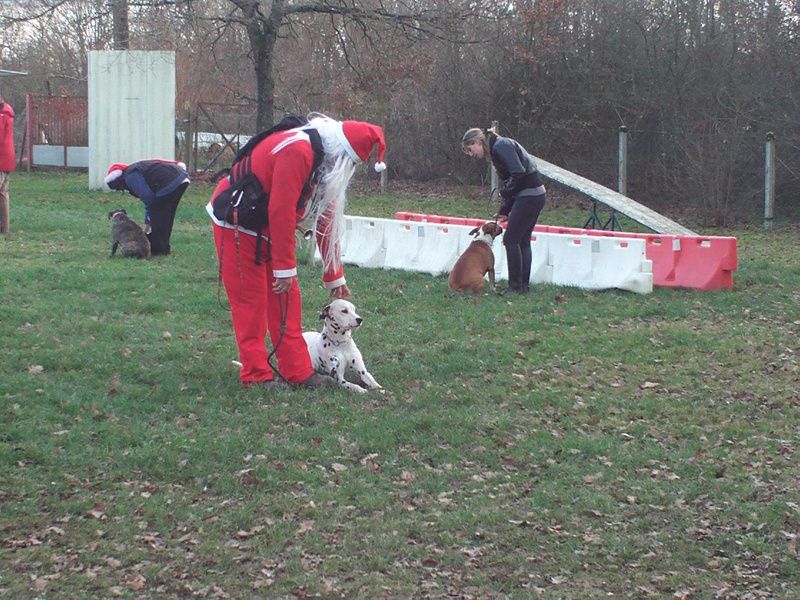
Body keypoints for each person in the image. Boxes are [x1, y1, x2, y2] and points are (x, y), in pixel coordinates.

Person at [207, 113, 387, 389]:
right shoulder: (298, 151)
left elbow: (327, 216)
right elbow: (280, 211)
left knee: (288, 302)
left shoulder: (321, 162)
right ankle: (256, 375)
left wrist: (334, 276)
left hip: (265, 226)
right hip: (236, 224)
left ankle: (298, 371)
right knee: (251, 303)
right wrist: (284, 269)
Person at [462, 127, 547, 294]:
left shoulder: (501, 146)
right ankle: (523, 287)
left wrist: (504, 193)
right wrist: (504, 210)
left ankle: (515, 287)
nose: (472, 155)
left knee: (510, 240)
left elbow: (518, 174)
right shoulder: (496, 149)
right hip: (534, 194)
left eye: (470, 150)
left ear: (477, 142)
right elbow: (512, 180)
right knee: (522, 240)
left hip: (529, 195)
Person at [104, 159, 190, 255]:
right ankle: (163, 249)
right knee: (166, 215)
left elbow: (148, 198)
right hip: (181, 178)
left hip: (169, 181)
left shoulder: (130, 176)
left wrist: (147, 224)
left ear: (118, 181)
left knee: (158, 213)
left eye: (118, 188)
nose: (121, 189)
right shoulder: (134, 170)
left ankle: (158, 249)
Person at [0, 97, 15, 234]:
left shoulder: (1, 115)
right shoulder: (8, 112)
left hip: (1, 159)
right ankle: (5, 228)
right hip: (7, 159)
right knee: (3, 194)